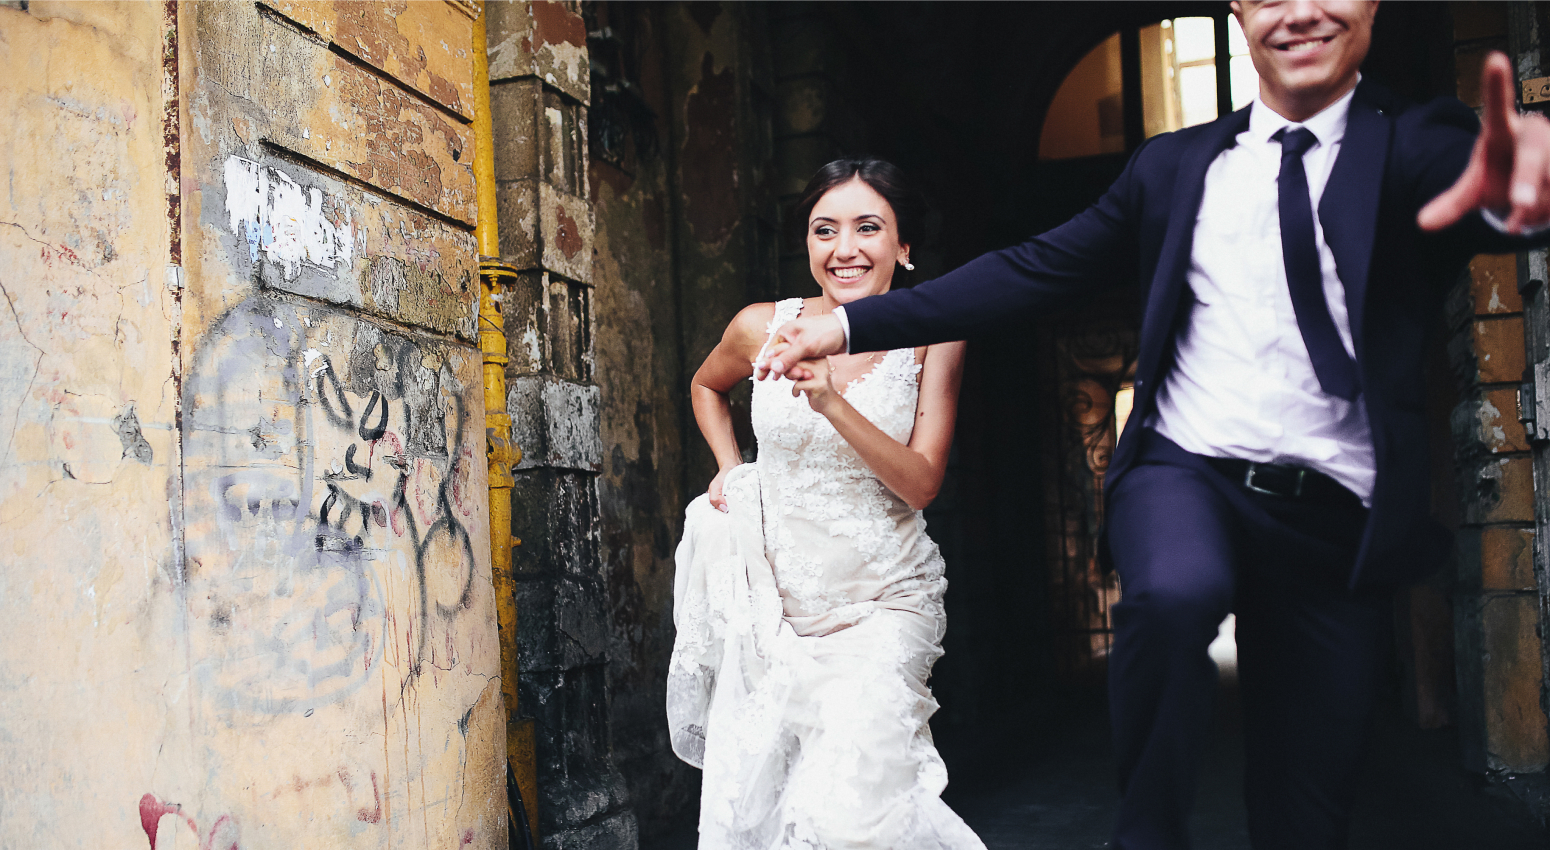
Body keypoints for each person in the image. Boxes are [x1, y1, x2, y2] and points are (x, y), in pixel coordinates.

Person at [756, 3, 1550, 849]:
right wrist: (848, 327)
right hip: (1187, 470)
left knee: (1307, 811)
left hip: (1333, 508)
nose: (1304, 10)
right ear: (1240, 8)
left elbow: (1483, 185)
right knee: (1171, 596)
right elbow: (1029, 270)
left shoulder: (1416, 141)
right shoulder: (1172, 169)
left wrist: (1512, 189)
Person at [667, 158, 982, 848]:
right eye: (824, 230)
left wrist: (830, 401)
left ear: (902, 247)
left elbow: (923, 482)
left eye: (868, 228)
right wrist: (732, 469)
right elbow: (705, 385)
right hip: (774, 607)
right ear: (807, 245)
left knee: (852, 805)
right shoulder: (760, 326)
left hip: (882, 602)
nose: (844, 249)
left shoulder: (936, 332)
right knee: (776, 804)